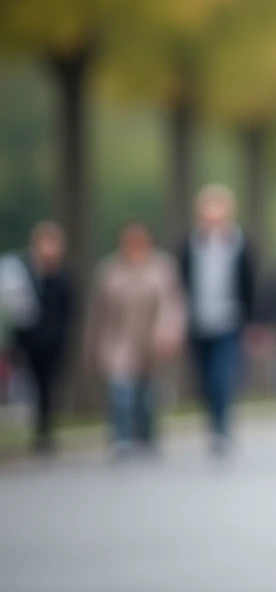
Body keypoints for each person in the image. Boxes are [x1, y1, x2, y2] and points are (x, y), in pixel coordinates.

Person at [86, 222, 185, 458]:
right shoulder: (109, 270)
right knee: (121, 390)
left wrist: (168, 332)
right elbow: (97, 312)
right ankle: (121, 438)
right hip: (118, 340)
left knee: (146, 394)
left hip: (151, 341)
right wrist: (92, 345)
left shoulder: (162, 268)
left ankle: (146, 435)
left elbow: (172, 305)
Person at [178, 184, 255, 455]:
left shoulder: (239, 244)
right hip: (198, 321)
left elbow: (249, 284)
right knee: (203, 378)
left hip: (229, 320)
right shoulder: (191, 244)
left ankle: (222, 426)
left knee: (221, 376)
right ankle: (213, 422)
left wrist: (253, 321)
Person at [1, 222, 74, 455]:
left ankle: (43, 432)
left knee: (46, 387)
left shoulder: (63, 276)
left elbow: (68, 312)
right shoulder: (21, 272)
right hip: (26, 342)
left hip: (52, 342)